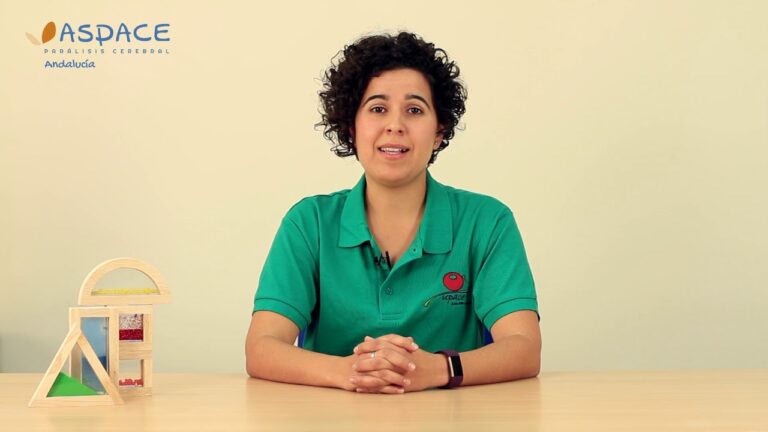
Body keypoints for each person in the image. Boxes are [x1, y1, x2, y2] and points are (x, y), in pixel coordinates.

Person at [246, 31, 541, 394]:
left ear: (438, 131)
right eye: (377, 108)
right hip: (330, 417)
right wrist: (350, 372)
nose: (395, 125)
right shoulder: (309, 223)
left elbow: (524, 348)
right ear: (351, 127)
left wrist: (439, 369)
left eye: (414, 110)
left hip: (454, 417)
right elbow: (261, 348)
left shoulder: (488, 221)